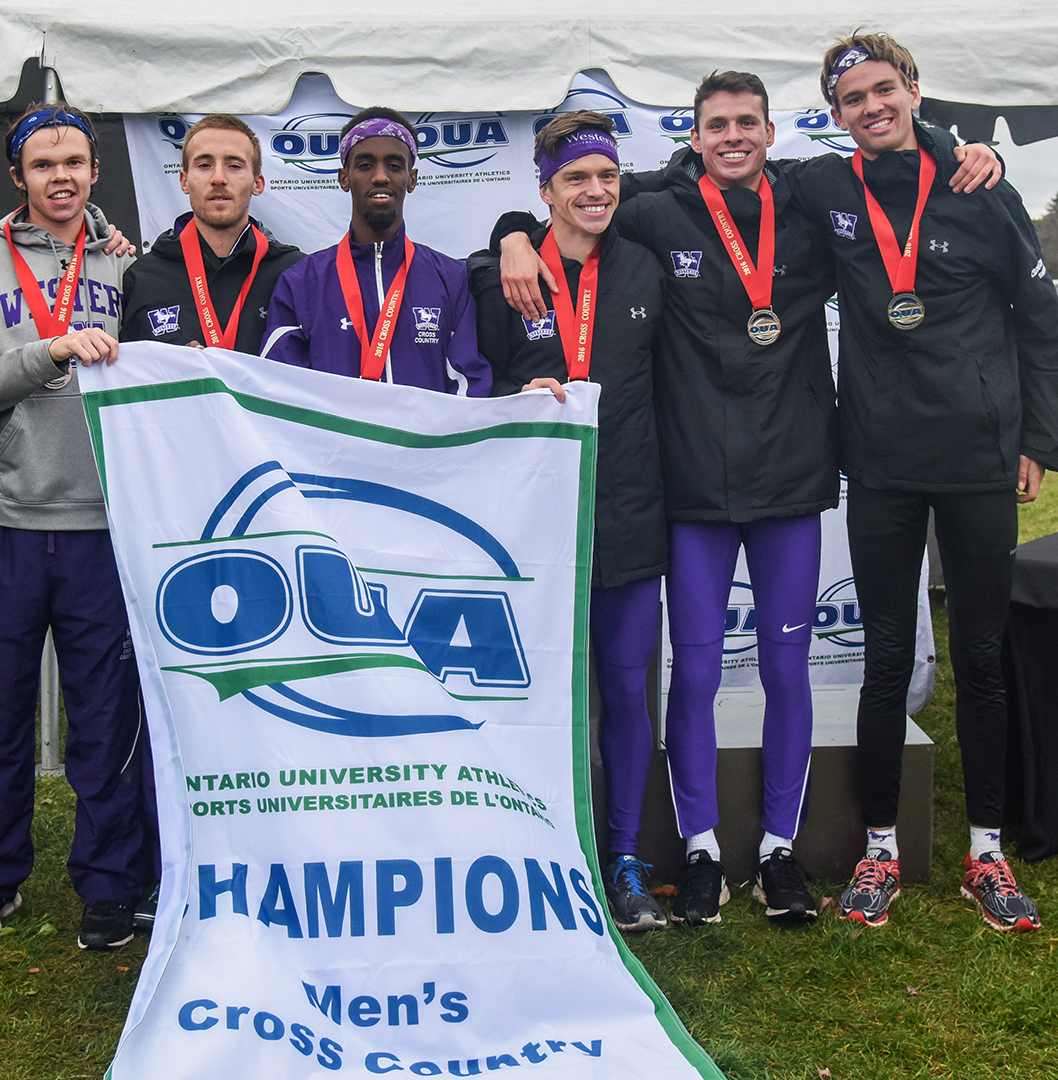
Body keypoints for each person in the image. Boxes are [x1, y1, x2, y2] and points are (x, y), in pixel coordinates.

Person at [492, 81, 1001, 928]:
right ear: (693, 138)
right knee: (692, 671)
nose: (733, 137)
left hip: (792, 478)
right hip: (692, 486)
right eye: (716, 125)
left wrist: (962, 147)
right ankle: (698, 850)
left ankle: (776, 852)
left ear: (772, 131)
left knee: (784, 670)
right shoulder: (657, 208)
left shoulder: (808, 199)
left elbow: (895, 164)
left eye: (747, 124)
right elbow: (572, 208)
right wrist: (511, 233)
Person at [791, 32, 1058, 931]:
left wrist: (1038, 438)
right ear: (835, 115)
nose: (871, 108)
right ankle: (881, 851)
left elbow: (1043, 326)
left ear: (913, 90)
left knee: (980, 660)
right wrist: (520, 230)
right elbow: (708, 187)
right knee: (883, 661)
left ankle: (984, 854)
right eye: (852, 99)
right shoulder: (825, 189)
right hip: (879, 461)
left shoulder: (981, 187)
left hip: (979, 458)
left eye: (884, 90)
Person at [0, 103, 150, 954]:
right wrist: (54, 349)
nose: (60, 177)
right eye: (42, 165)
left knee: (105, 711)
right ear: (18, 177)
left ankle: (108, 885)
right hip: (8, 517)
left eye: (74, 162)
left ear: (95, 171)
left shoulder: (128, 262)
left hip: (106, 519)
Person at [470, 112, 675, 930]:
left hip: (627, 514)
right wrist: (507, 402)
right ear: (544, 190)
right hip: (532, 527)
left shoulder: (647, 270)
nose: (596, 191)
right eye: (577, 179)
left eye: (608, 176)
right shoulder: (500, 275)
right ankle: (543, 851)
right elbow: (469, 389)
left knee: (627, 694)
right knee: (537, 697)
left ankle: (622, 859)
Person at [263, 107, 492, 395]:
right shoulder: (300, 282)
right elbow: (279, 390)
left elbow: (470, 388)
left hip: (425, 441)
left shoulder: (452, 279)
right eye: (365, 165)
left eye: (395, 165)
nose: (381, 176)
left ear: (412, 178)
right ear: (344, 177)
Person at [122, 114, 305, 353]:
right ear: (184, 180)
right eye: (204, 165)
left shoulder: (295, 273)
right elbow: (130, 382)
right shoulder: (143, 277)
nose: (218, 178)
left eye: (234, 166)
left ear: (257, 183)